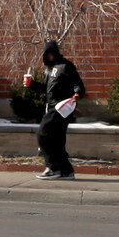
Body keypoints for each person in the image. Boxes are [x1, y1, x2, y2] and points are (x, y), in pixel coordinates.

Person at [34, 39, 86, 179]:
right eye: (47, 53)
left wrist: (77, 93)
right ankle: (66, 170)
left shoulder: (66, 66)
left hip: (62, 106)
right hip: (51, 105)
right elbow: (46, 88)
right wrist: (32, 85)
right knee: (57, 140)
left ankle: (53, 167)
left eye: (51, 53)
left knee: (43, 134)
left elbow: (77, 83)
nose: (49, 56)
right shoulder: (50, 69)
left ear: (56, 52)